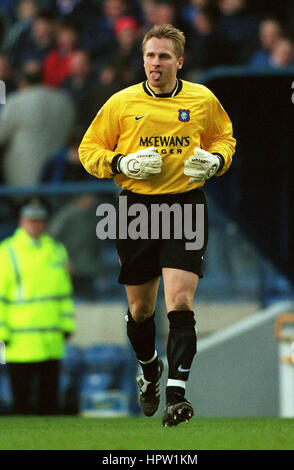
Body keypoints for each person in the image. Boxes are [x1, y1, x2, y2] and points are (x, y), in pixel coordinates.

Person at [79, 24, 236, 427]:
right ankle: (150, 370)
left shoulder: (202, 99)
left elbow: (225, 139)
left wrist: (216, 162)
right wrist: (121, 163)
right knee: (140, 310)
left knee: (180, 302)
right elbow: (88, 148)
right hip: (135, 209)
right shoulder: (121, 103)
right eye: (150, 55)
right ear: (142, 59)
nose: (156, 63)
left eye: (164, 56)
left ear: (179, 61)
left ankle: (177, 396)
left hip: (185, 205)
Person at [0, 200, 76, 414]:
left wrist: (66, 325)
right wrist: (2, 334)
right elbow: (1, 297)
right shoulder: (7, 252)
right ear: (21, 222)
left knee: (49, 400)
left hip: (51, 337)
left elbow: (63, 293)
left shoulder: (56, 250)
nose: (35, 226)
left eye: (39, 221)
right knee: (21, 402)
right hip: (18, 340)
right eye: (30, 221)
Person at [0, 62, 75, 186]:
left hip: (22, 183)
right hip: (59, 182)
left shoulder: (15, 102)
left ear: (22, 81)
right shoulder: (65, 101)